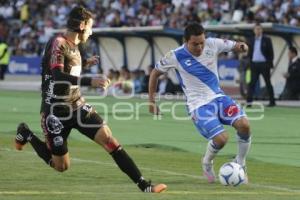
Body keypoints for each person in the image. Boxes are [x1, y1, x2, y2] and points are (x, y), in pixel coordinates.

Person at [15, 6, 166, 193]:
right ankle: (26, 133)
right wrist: (91, 80)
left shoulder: (75, 46)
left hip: (78, 106)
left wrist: (85, 63)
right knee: (61, 166)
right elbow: (57, 75)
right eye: (90, 27)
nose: (91, 31)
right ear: (81, 25)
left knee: (109, 139)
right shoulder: (58, 43)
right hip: (55, 112)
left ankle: (145, 185)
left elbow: (69, 69)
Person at [148, 22, 251, 184]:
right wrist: (152, 101)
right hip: (198, 106)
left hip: (219, 98)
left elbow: (236, 45)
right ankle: (207, 161)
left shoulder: (213, 44)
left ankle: (241, 163)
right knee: (221, 139)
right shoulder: (175, 56)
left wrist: (242, 46)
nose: (200, 47)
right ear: (186, 41)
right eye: (195, 44)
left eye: (202, 42)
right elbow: (154, 73)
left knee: (244, 125)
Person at [247, 23, 276, 107]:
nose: (258, 31)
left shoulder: (267, 39)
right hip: (254, 64)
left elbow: (271, 53)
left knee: (268, 83)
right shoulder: (251, 40)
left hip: (264, 64)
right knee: (251, 83)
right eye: (256, 29)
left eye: (259, 29)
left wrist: (269, 64)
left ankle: (272, 102)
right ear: (254, 30)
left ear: (262, 30)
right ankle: (249, 103)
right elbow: (249, 52)